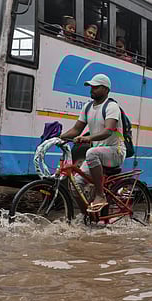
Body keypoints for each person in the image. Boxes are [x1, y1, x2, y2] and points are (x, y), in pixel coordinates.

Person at [60, 74, 126, 213]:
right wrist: (59, 137)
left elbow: (108, 131)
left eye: (96, 87)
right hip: (96, 155)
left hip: (115, 151)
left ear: (106, 89)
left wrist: (88, 138)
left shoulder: (112, 107)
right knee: (75, 185)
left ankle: (99, 195)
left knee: (90, 152)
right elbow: (76, 129)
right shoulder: (87, 107)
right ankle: (88, 217)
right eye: (91, 87)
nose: (92, 90)